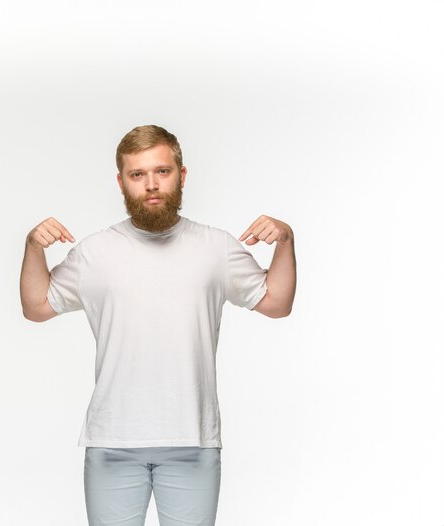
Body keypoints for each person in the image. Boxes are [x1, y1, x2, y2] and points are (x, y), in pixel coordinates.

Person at [20, 124, 297, 526]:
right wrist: (32, 248)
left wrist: (285, 241)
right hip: (113, 442)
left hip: (192, 441)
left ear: (181, 175)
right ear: (121, 183)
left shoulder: (215, 248)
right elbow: (37, 306)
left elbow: (276, 302)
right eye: (138, 175)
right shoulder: (95, 252)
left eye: (162, 172)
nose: (151, 185)